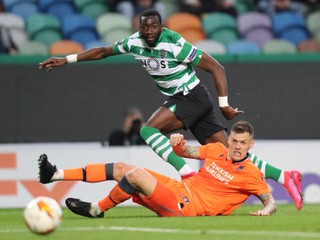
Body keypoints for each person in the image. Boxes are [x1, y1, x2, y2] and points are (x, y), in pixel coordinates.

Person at [38, 9, 302, 210]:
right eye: (145, 27)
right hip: (188, 99)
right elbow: (103, 51)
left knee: (149, 130)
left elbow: (216, 67)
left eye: (154, 26)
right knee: (228, 154)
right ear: (139, 28)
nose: (149, 31)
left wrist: (224, 105)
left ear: (161, 27)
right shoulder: (134, 43)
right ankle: (284, 175)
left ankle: (184, 170)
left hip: (191, 95)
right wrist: (67, 59)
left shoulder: (175, 43)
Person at [38, 121, 277, 217]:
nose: (236, 147)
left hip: (187, 208)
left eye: (242, 143)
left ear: (251, 144)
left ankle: (96, 209)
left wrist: (265, 211)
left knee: (136, 175)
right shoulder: (217, 150)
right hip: (179, 189)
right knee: (123, 168)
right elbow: (186, 152)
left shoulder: (251, 173)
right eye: (234, 141)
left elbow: (270, 200)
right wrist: (179, 143)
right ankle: (55, 174)